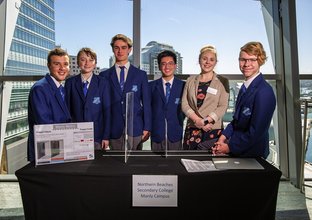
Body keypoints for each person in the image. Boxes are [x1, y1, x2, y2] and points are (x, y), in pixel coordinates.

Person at [212, 41, 276, 158]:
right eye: (243, 59)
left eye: (252, 60)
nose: (247, 64)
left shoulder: (264, 92)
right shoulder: (244, 88)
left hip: (252, 154)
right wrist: (222, 138)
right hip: (236, 148)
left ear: (260, 61)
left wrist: (229, 147)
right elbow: (236, 121)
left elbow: (256, 132)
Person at [99, 34, 151, 150]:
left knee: (135, 163)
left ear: (129, 49)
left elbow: (146, 103)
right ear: (113, 49)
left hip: (136, 128)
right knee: (116, 165)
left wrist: (147, 127)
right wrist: (104, 132)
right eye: (116, 47)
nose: (120, 51)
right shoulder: (104, 76)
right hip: (114, 128)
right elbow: (103, 107)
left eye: (123, 47)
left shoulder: (140, 75)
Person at [27, 47, 71, 162]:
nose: (62, 68)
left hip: (59, 147)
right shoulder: (40, 89)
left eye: (65, 64)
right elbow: (44, 124)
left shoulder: (61, 88)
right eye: (57, 64)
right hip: (46, 150)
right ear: (49, 66)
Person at [181, 45, 229, 150]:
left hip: (212, 129)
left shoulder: (223, 81)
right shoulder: (190, 80)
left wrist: (205, 121)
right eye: (204, 59)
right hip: (193, 128)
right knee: (190, 162)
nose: (207, 62)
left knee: (211, 163)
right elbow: (184, 103)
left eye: (211, 59)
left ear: (216, 62)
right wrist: (197, 120)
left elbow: (223, 106)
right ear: (199, 60)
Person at [64, 47, 111, 150]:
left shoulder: (103, 83)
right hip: (75, 135)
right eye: (83, 59)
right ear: (77, 62)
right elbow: (67, 111)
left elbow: (107, 112)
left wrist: (106, 136)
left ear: (95, 63)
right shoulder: (70, 83)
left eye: (91, 60)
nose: (87, 63)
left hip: (96, 136)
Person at [149, 50, 185, 151]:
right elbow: (148, 109)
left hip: (175, 133)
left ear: (175, 66)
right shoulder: (151, 86)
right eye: (163, 64)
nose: (167, 67)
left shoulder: (183, 86)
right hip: (156, 134)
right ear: (159, 66)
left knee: (175, 164)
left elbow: (186, 109)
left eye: (170, 63)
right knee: (156, 165)